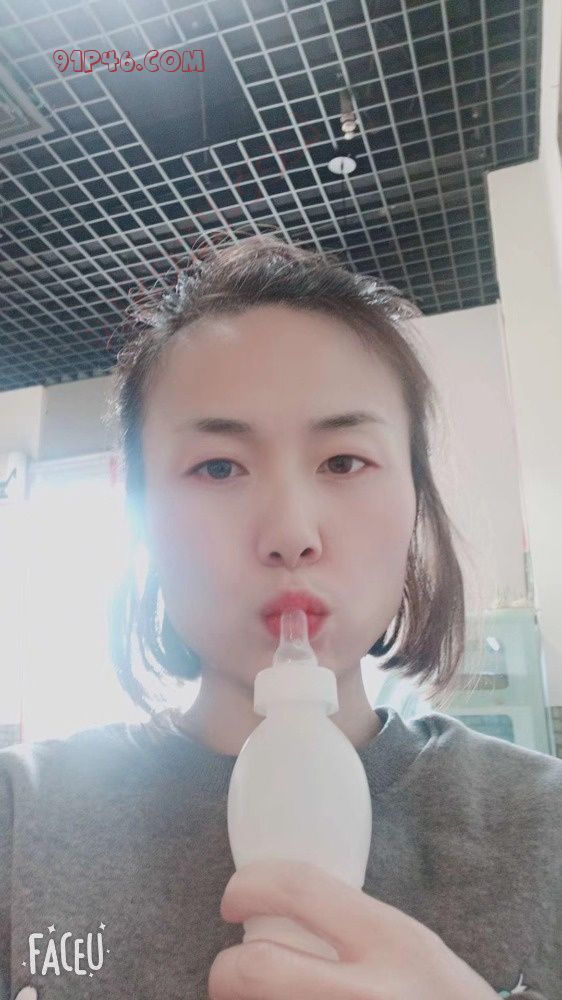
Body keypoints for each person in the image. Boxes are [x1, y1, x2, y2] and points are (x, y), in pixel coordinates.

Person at [0, 234, 560, 1000]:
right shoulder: (20, 820)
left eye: (344, 461)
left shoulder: (546, 826)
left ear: (415, 498)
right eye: (218, 467)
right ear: (140, 513)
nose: (291, 533)